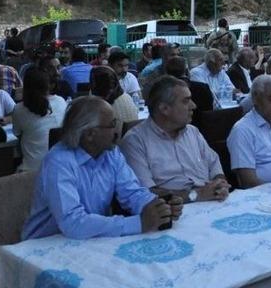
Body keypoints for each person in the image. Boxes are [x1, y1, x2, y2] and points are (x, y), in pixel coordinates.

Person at [21, 97, 178, 240]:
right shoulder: (59, 161)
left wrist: (158, 207)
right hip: (45, 244)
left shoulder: (111, 152)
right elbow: (73, 222)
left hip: (88, 239)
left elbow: (132, 192)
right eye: (112, 125)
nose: (117, 130)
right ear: (90, 134)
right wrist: (139, 223)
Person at [120, 76, 230, 203]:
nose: (193, 106)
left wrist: (220, 183)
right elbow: (146, 193)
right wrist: (195, 195)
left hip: (211, 202)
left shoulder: (192, 132)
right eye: (185, 101)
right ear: (164, 109)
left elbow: (214, 164)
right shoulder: (135, 141)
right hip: (174, 213)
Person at [13, 70, 67, 172]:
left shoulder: (19, 109)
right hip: (59, 168)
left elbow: (19, 138)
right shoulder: (61, 101)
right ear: (48, 86)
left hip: (31, 171)